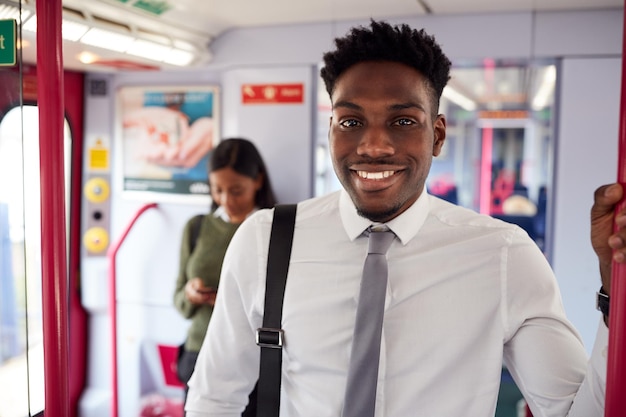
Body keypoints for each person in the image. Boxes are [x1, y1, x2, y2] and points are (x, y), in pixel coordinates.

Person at [185, 21, 626, 416]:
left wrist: (616, 291)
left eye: (401, 121)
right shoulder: (266, 240)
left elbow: (572, 411)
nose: (374, 146)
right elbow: (215, 399)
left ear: (436, 135)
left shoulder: (503, 254)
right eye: (351, 122)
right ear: (331, 131)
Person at [173, 138, 277, 415]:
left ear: (257, 181)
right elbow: (178, 301)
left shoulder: (276, 231)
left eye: (236, 191)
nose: (226, 200)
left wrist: (233, 301)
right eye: (217, 190)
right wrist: (190, 295)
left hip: (254, 359)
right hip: (199, 350)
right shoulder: (197, 228)